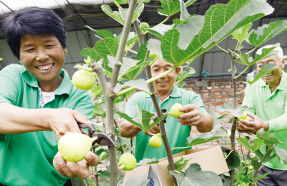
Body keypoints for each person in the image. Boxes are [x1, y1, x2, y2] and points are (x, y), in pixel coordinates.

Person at [0, 7, 98, 186]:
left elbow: (77, 140)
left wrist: (77, 161)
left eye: (49, 45)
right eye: (30, 49)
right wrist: (50, 117)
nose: (42, 56)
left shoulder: (79, 94)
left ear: (64, 49)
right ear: (19, 57)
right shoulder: (13, 75)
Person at [119, 57, 213, 162]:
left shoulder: (189, 97)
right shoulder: (138, 99)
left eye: (168, 69)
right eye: (156, 69)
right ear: (149, 73)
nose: (162, 75)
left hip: (178, 169)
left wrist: (199, 118)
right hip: (145, 170)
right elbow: (123, 130)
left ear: (177, 71)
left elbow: (207, 125)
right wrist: (142, 122)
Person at [237, 44, 287, 185]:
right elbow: (248, 110)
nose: (265, 69)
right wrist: (245, 121)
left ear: (282, 63)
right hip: (263, 161)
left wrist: (265, 125)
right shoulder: (253, 84)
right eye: (260, 65)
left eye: (270, 64)